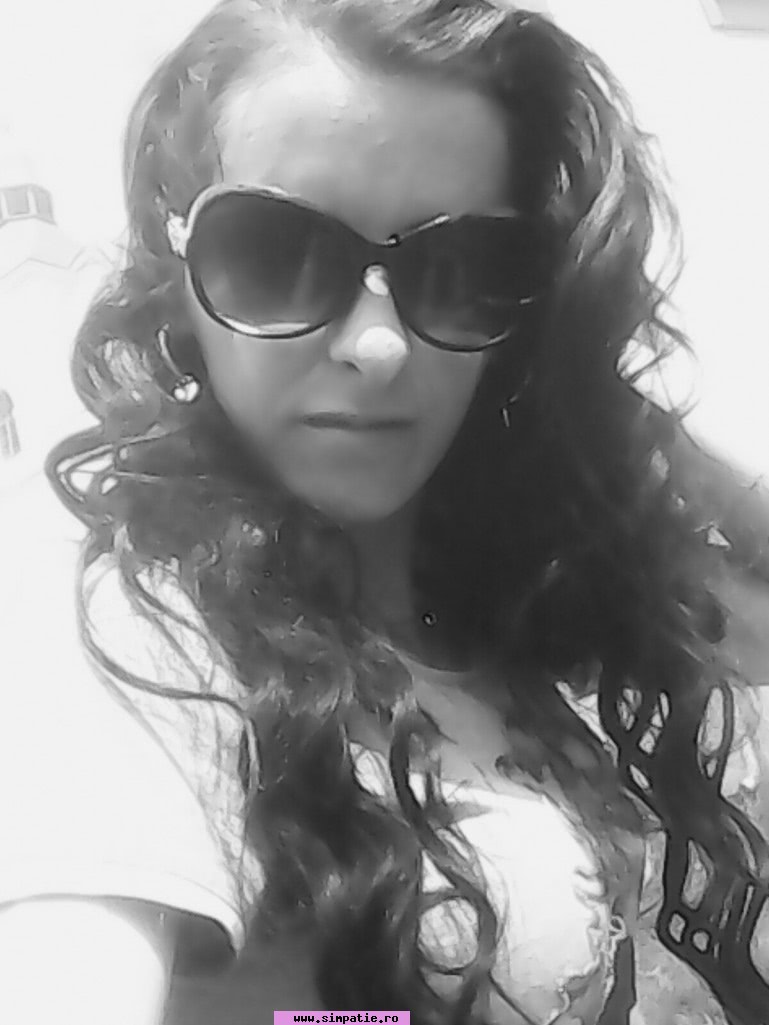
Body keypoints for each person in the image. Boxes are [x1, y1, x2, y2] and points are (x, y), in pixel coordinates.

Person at [1, 1, 767, 1023]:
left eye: (461, 271)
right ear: (176, 271)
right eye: (275, 251)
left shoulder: (483, 594)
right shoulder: (125, 608)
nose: (378, 346)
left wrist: (623, 411)